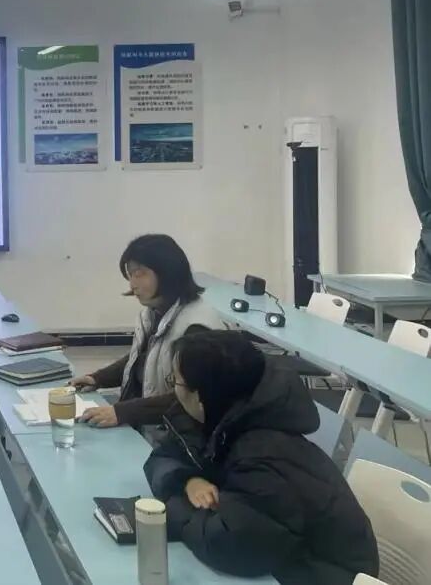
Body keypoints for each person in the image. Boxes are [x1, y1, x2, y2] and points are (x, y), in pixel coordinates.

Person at [144, 330, 378, 585]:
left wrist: (170, 511)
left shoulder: (264, 454)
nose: (173, 390)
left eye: (176, 382)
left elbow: (229, 545)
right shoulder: (223, 415)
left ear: (200, 395)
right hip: (288, 560)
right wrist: (189, 481)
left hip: (326, 575)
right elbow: (161, 458)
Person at [73, 234, 222, 428]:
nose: (132, 284)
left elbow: (190, 399)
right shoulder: (155, 312)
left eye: (139, 274)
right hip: (149, 424)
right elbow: (144, 360)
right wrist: (98, 378)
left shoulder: (196, 328)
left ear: (167, 272)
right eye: (130, 275)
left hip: (178, 435)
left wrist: (123, 412)